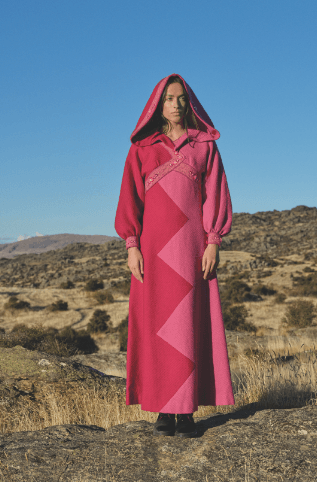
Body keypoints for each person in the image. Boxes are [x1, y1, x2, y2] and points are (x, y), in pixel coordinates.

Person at [114, 74, 234, 438]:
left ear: (191, 102)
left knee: (189, 326)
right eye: (169, 99)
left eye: (181, 99)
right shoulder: (142, 148)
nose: (176, 105)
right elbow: (129, 200)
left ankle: (187, 412)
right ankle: (164, 410)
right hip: (153, 250)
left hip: (193, 249)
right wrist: (131, 245)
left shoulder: (205, 146)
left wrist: (213, 240)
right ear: (157, 105)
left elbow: (216, 195)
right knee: (158, 327)